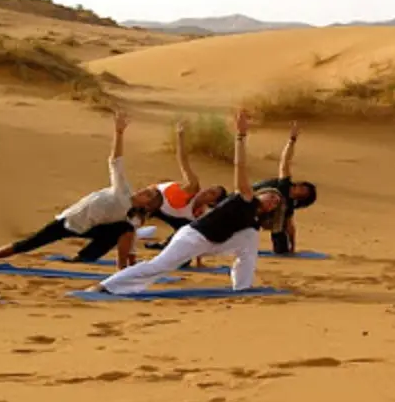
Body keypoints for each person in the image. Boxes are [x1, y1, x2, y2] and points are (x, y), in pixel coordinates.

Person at [87, 109, 285, 295]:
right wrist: (241, 137)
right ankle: (105, 286)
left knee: (250, 239)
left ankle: (242, 286)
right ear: (262, 193)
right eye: (272, 196)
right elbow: (239, 166)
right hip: (194, 238)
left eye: (276, 204)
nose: (273, 201)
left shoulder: (254, 220)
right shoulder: (246, 198)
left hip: (214, 243)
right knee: (159, 266)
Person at [0, 110, 162, 271]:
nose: (143, 190)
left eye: (148, 194)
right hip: (69, 222)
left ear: (147, 204)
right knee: (27, 244)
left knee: (124, 229)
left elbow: (130, 241)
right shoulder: (124, 190)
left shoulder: (132, 216)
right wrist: (119, 133)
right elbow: (115, 162)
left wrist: (132, 268)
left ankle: (97, 262)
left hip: (91, 229)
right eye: (146, 190)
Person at [142, 120, 228, 267]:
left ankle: (167, 247)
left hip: (170, 214)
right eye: (210, 188)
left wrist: (199, 262)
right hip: (154, 200)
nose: (207, 191)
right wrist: (180, 136)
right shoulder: (193, 186)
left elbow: (199, 238)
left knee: (185, 248)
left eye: (212, 193)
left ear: (212, 203)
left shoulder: (200, 215)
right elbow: (183, 161)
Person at [252, 121, 317, 254]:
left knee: (280, 225)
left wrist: (293, 246)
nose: (299, 188)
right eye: (302, 186)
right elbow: (285, 162)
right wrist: (292, 140)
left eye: (304, 191)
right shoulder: (284, 184)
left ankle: (280, 250)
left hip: (266, 216)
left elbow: (290, 225)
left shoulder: (289, 205)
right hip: (251, 199)